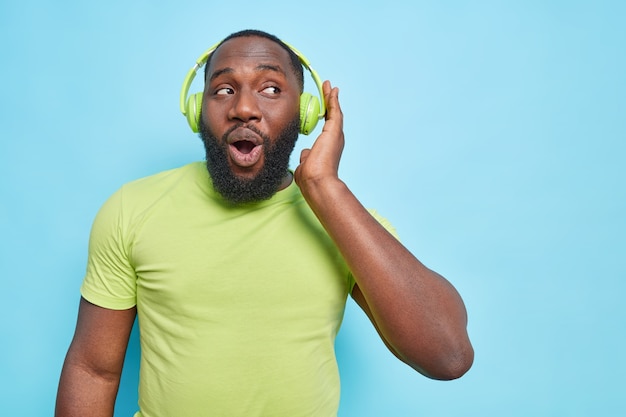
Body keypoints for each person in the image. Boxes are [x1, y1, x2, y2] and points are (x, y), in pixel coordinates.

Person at [55, 29, 473, 417]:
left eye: (271, 89)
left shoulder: (343, 221)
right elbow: (94, 369)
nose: (244, 108)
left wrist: (327, 188)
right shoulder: (133, 208)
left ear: (307, 114)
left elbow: (447, 356)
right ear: (197, 110)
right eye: (223, 89)